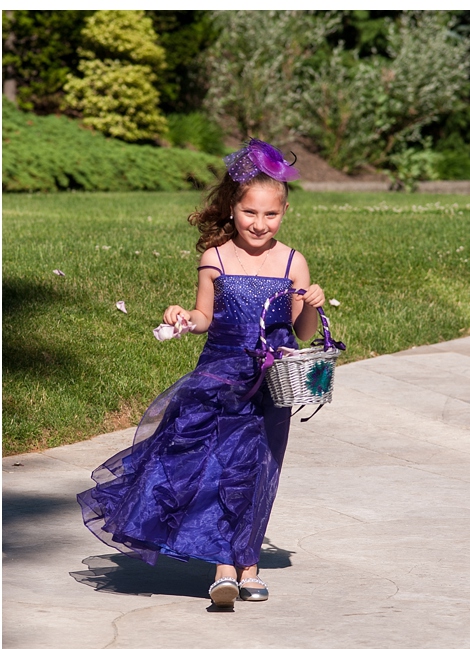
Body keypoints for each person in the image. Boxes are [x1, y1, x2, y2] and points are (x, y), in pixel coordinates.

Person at [77, 139, 327, 609]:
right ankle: (224, 568)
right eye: (250, 213)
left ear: (285, 211)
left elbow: (303, 331)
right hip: (219, 377)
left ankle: (247, 563)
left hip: (271, 384)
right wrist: (183, 317)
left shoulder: (293, 263)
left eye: (270, 216)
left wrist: (311, 303)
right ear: (233, 208)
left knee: (257, 470)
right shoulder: (215, 258)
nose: (259, 224)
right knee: (216, 467)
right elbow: (205, 317)